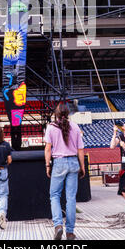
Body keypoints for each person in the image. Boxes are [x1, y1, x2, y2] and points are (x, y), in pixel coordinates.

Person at [44, 103, 85, 241]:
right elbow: (80, 150)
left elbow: (48, 149)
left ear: (56, 114)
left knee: (54, 195)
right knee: (71, 198)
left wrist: (47, 165)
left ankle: (58, 225)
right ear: (68, 113)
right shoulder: (75, 126)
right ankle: (70, 232)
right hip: (73, 162)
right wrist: (82, 167)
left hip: (59, 163)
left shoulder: (51, 127)